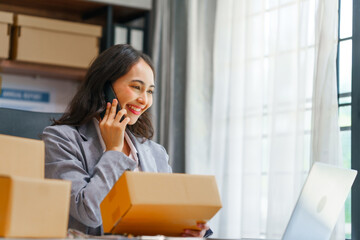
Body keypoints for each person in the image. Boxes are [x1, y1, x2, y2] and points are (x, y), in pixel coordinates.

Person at [42, 44, 211, 237]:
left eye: (150, 91)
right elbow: (89, 212)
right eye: (136, 87)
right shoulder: (60, 139)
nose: (144, 100)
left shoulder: (156, 153)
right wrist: (113, 151)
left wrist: (184, 230)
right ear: (105, 87)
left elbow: (163, 218)